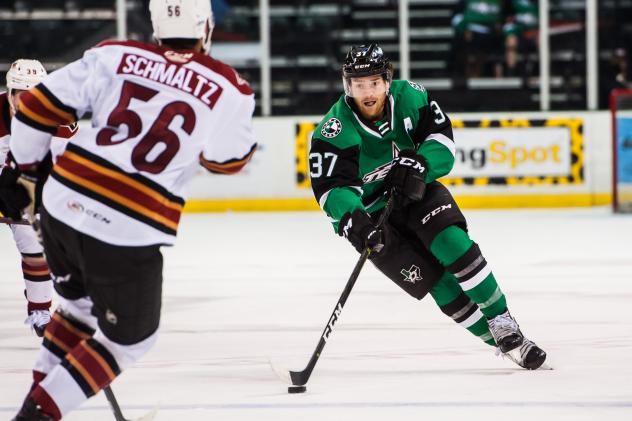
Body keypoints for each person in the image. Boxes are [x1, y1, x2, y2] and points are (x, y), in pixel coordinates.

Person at [9, 0, 257, 419]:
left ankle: (35, 407)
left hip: (60, 207)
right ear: (206, 28)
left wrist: (25, 175)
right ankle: (36, 416)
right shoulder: (230, 87)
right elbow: (228, 161)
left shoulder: (115, 53)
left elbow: (34, 106)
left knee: (78, 310)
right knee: (131, 340)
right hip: (128, 227)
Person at [309, 44, 546, 372]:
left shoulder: (412, 98)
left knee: (452, 243)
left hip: (415, 193)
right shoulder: (334, 130)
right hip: (373, 216)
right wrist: (357, 222)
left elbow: (443, 142)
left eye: (374, 82)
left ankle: (503, 320)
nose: (368, 92)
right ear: (348, 86)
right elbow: (331, 189)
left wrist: (420, 163)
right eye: (360, 84)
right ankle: (510, 345)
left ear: (387, 81)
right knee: (434, 281)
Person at [0, 59, 76, 337]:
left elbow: (66, 169)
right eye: (23, 95)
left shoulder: (60, 121)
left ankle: (39, 311)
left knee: (34, 247)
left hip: (25, 192)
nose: (29, 102)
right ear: (10, 93)